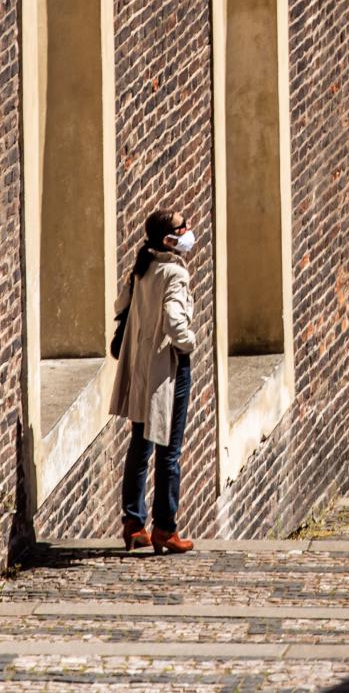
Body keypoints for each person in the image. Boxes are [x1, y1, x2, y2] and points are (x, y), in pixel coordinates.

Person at [109, 209, 199, 553]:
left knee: (140, 443)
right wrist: (190, 342)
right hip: (167, 368)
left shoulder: (143, 268)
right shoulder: (174, 274)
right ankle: (165, 528)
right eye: (182, 226)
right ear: (168, 239)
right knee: (169, 449)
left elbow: (121, 304)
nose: (188, 229)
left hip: (140, 365)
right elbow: (176, 323)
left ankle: (133, 522)